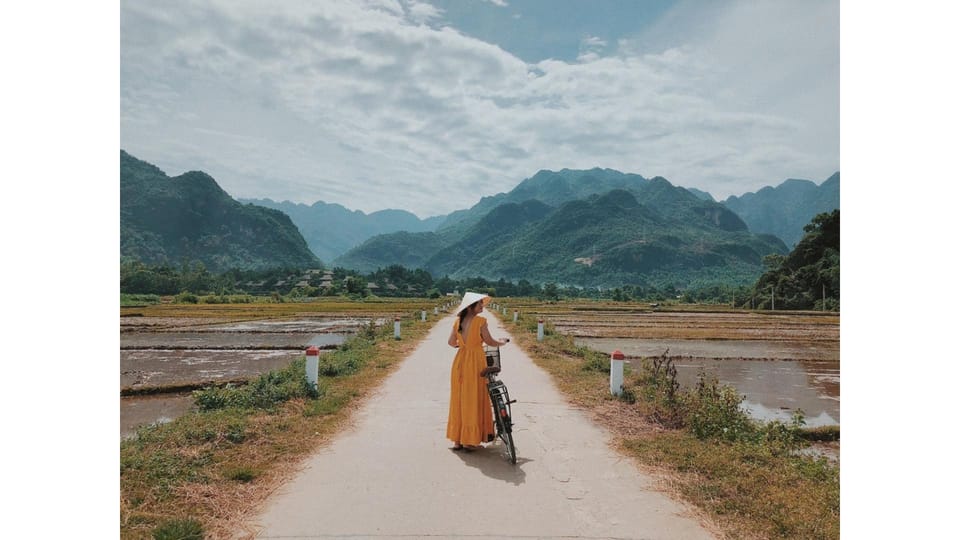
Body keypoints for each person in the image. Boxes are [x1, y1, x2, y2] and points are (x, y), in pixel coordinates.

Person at [446, 292, 510, 451]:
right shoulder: (480, 321)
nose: (483, 306)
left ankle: (458, 440)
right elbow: (489, 341)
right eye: (480, 304)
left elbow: (451, 342)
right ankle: (469, 440)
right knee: (473, 398)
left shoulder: (458, 322)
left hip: (460, 363)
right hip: (475, 363)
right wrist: (501, 342)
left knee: (459, 399)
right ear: (471, 307)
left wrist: (463, 346)